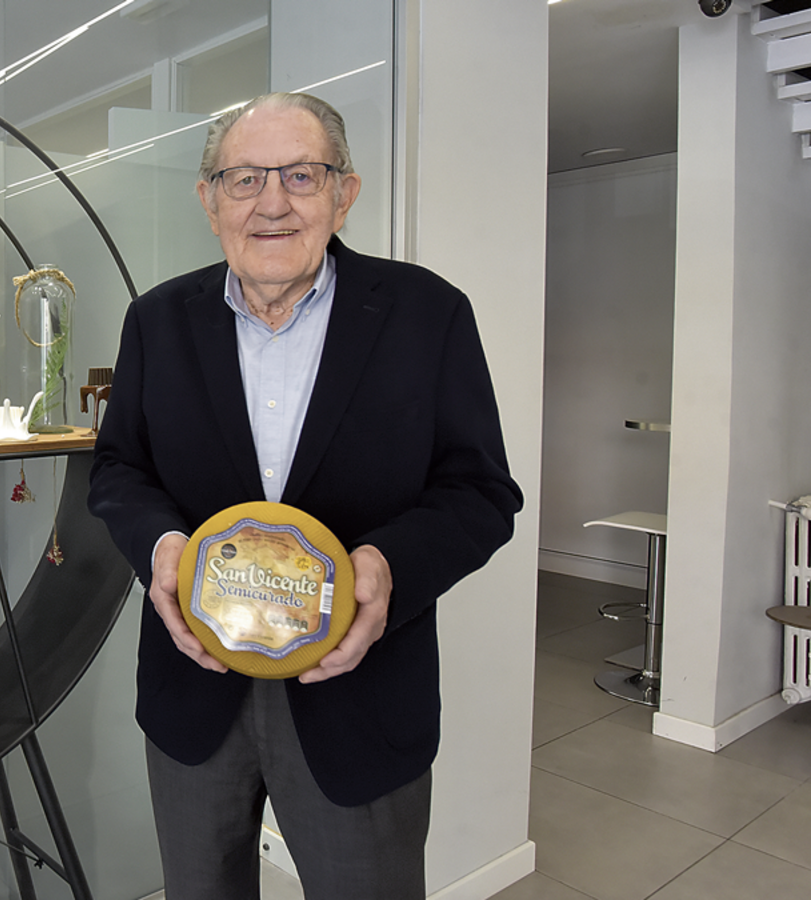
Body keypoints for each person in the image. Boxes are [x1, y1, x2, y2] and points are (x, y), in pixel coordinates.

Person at [88, 92, 523, 899]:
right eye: (245, 178)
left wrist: (388, 565)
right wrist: (160, 546)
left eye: (302, 174)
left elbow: (481, 490)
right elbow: (117, 469)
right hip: (196, 692)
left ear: (344, 192)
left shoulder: (427, 315)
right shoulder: (157, 321)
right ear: (208, 198)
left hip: (359, 697)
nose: (273, 203)